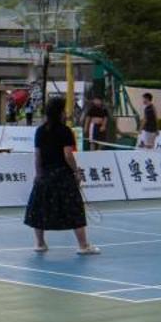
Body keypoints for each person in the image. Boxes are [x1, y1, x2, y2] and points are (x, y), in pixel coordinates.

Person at [24, 96, 99, 255]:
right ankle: (83, 246)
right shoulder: (65, 131)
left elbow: (37, 155)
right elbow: (67, 154)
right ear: (59, 112)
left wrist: (38, 174)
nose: (66, 113)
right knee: (75, 209)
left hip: (44, 175)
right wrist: (76, 171)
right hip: (63, 176)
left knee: (40, 208)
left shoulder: (40, 130)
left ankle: (40, 243)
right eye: (64, 110)